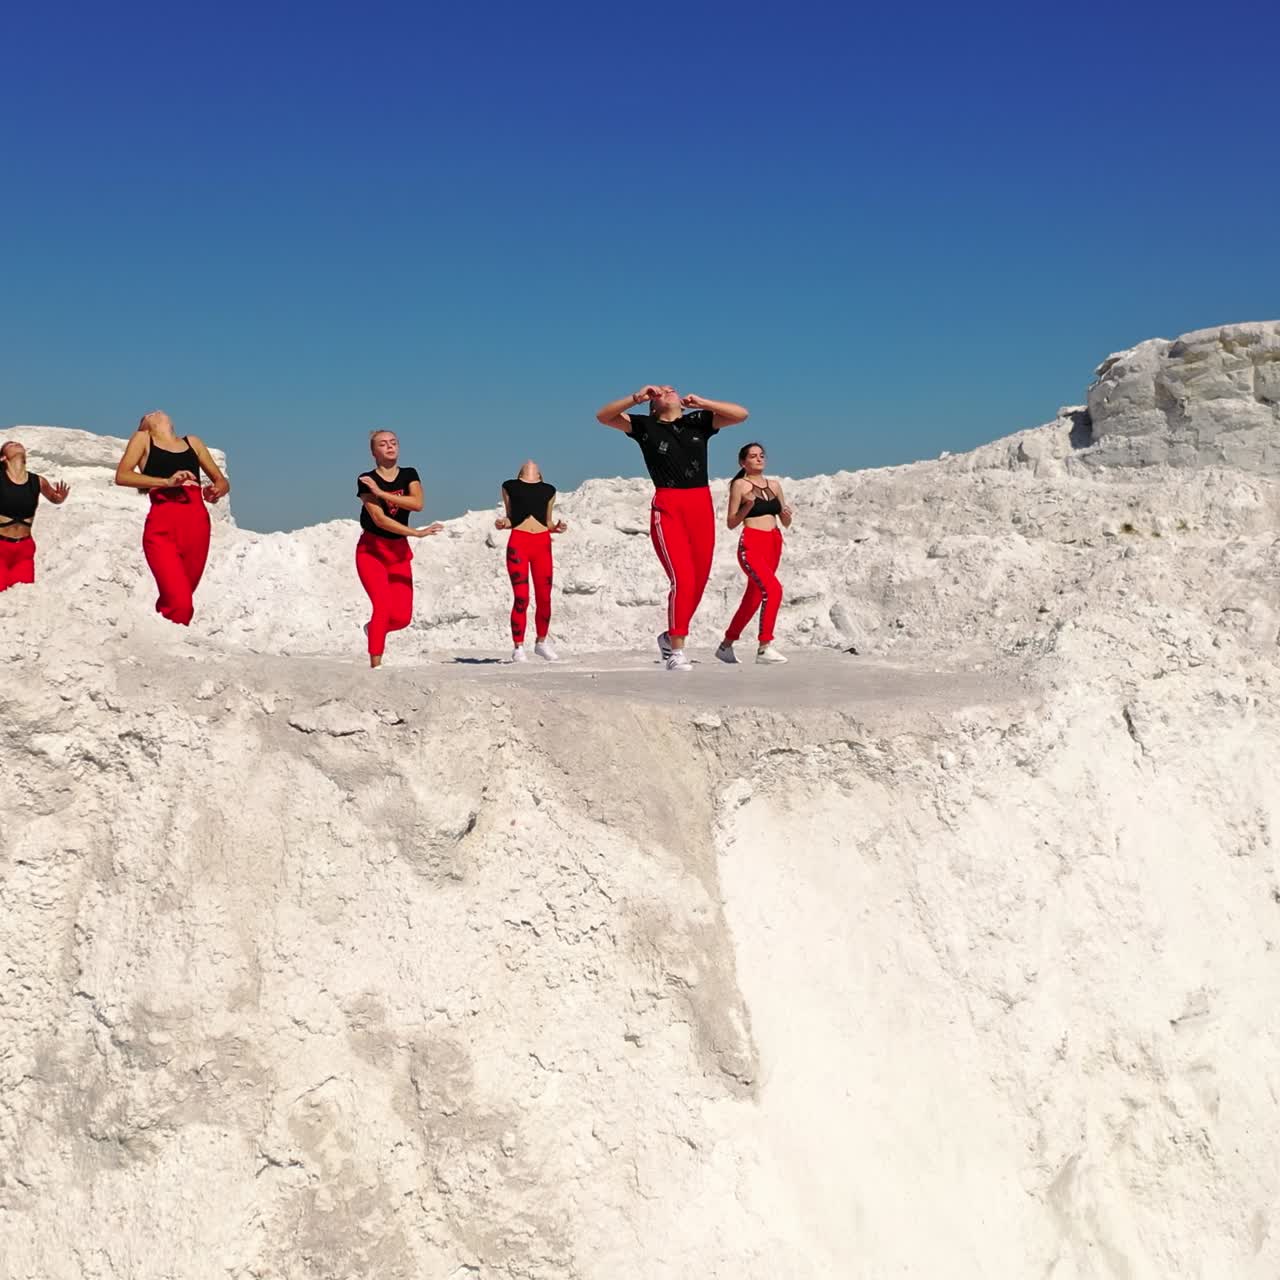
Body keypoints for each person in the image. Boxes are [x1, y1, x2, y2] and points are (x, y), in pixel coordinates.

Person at [595, 384, 749, 670]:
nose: (667, 390)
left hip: (701, 506)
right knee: (683, 579)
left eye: (671, 389)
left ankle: (668, 637)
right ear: (653, 406)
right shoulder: (644, 426)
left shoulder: (700, 422)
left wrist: (702, 402)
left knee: (699, 583)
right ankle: (677, 652)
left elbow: (741, 414)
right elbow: (603, 417)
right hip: (668, 506)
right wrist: (636, 398)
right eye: (661, 391)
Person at [114, 412, 229, 625]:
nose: (154, 412)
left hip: (197, 523)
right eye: (146, 415)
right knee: (180, 603)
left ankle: (162, 639)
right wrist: (167, 482)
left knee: (181, 595)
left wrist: (217, 489)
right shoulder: (143, 439)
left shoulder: (193, 442)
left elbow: (221, 481)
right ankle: (170, 644)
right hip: (163, 523)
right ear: (145, 426)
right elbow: (122, 475)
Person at [356, 430, 443, 669]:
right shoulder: (365, 479)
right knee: (382, 606)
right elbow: (380, 519)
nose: (390, 447)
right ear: (374, 452)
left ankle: (374, 629)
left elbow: (417, 504)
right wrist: (416, 533)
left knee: (403, 618)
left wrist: (382, 493)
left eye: (393, 442)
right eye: (383, 444)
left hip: (398, 552)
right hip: (372, 550)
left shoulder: (409, 474)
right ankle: (376, 665)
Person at [716, 441, 793, 665]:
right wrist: (746, 507)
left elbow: (785, 522)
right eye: (753, 456)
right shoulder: (739, 485)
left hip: (774, 542)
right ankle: (764, 647)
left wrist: (787, 515)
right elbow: (731, 522)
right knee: (773, 589)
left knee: (753, 598)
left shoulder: (775, 485)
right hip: (751, 543)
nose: (759, 459)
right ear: (743, 462)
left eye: (761, 455)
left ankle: (726, 646)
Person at [495, 460, 568, 663]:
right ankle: (518, 646)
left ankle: (541, 642)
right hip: (519, 543)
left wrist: (557, 527)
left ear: (539, 474)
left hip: (542, 544)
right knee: (521, 597)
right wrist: (502, 523)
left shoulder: (549, 490)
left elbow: (548, 521)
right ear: (520, 473)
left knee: (544, 597)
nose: (530, 461)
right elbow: (511, 517)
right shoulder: (509, 486)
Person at [0, 440, 70, 591]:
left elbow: (53, 497)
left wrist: (59, 498)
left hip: (24, 549)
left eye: (18, 444)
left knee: (23, 595)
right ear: (3, 458)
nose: (16, 444)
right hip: (1, 547)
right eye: (10, 444)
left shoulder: (37, 481)